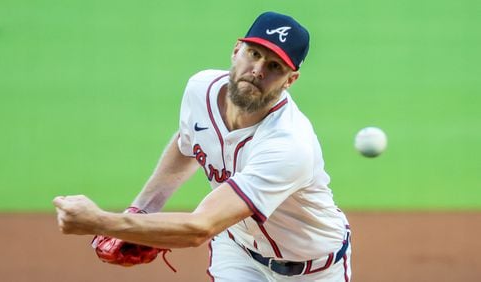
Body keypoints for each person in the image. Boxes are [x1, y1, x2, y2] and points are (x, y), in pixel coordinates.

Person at [53, 11, 352, 281]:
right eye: (254, 53)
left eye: (274, 66)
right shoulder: (201, 89)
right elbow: (188, 144)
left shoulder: (289, 144)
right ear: (236, 50)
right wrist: (141, 210)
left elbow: (200, 227)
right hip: (238, 254)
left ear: (291, 80)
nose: (259, 70)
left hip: (314, 270)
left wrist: (103, 222)